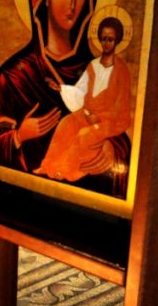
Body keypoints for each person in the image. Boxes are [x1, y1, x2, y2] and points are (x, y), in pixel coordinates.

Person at [0, 0, 130, 197]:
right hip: (23, 199)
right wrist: (19, 135)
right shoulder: (15, 75)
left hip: (86, 207)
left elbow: (120, 123)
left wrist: (113, 149)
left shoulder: (99, 68)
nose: (74, 2)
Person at [34, 16, 133, 184]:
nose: (106, 43)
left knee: (84, 135)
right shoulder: (93, 65)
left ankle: (64, 171)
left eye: (110, 39)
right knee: (66, 124)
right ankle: (47, 165)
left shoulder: (122, 70)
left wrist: (100, 118)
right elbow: (81, 90)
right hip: (87, 112)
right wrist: (62, 89)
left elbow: (121, 107)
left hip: (110, 120)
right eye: (103, 39)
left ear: (117, 41)